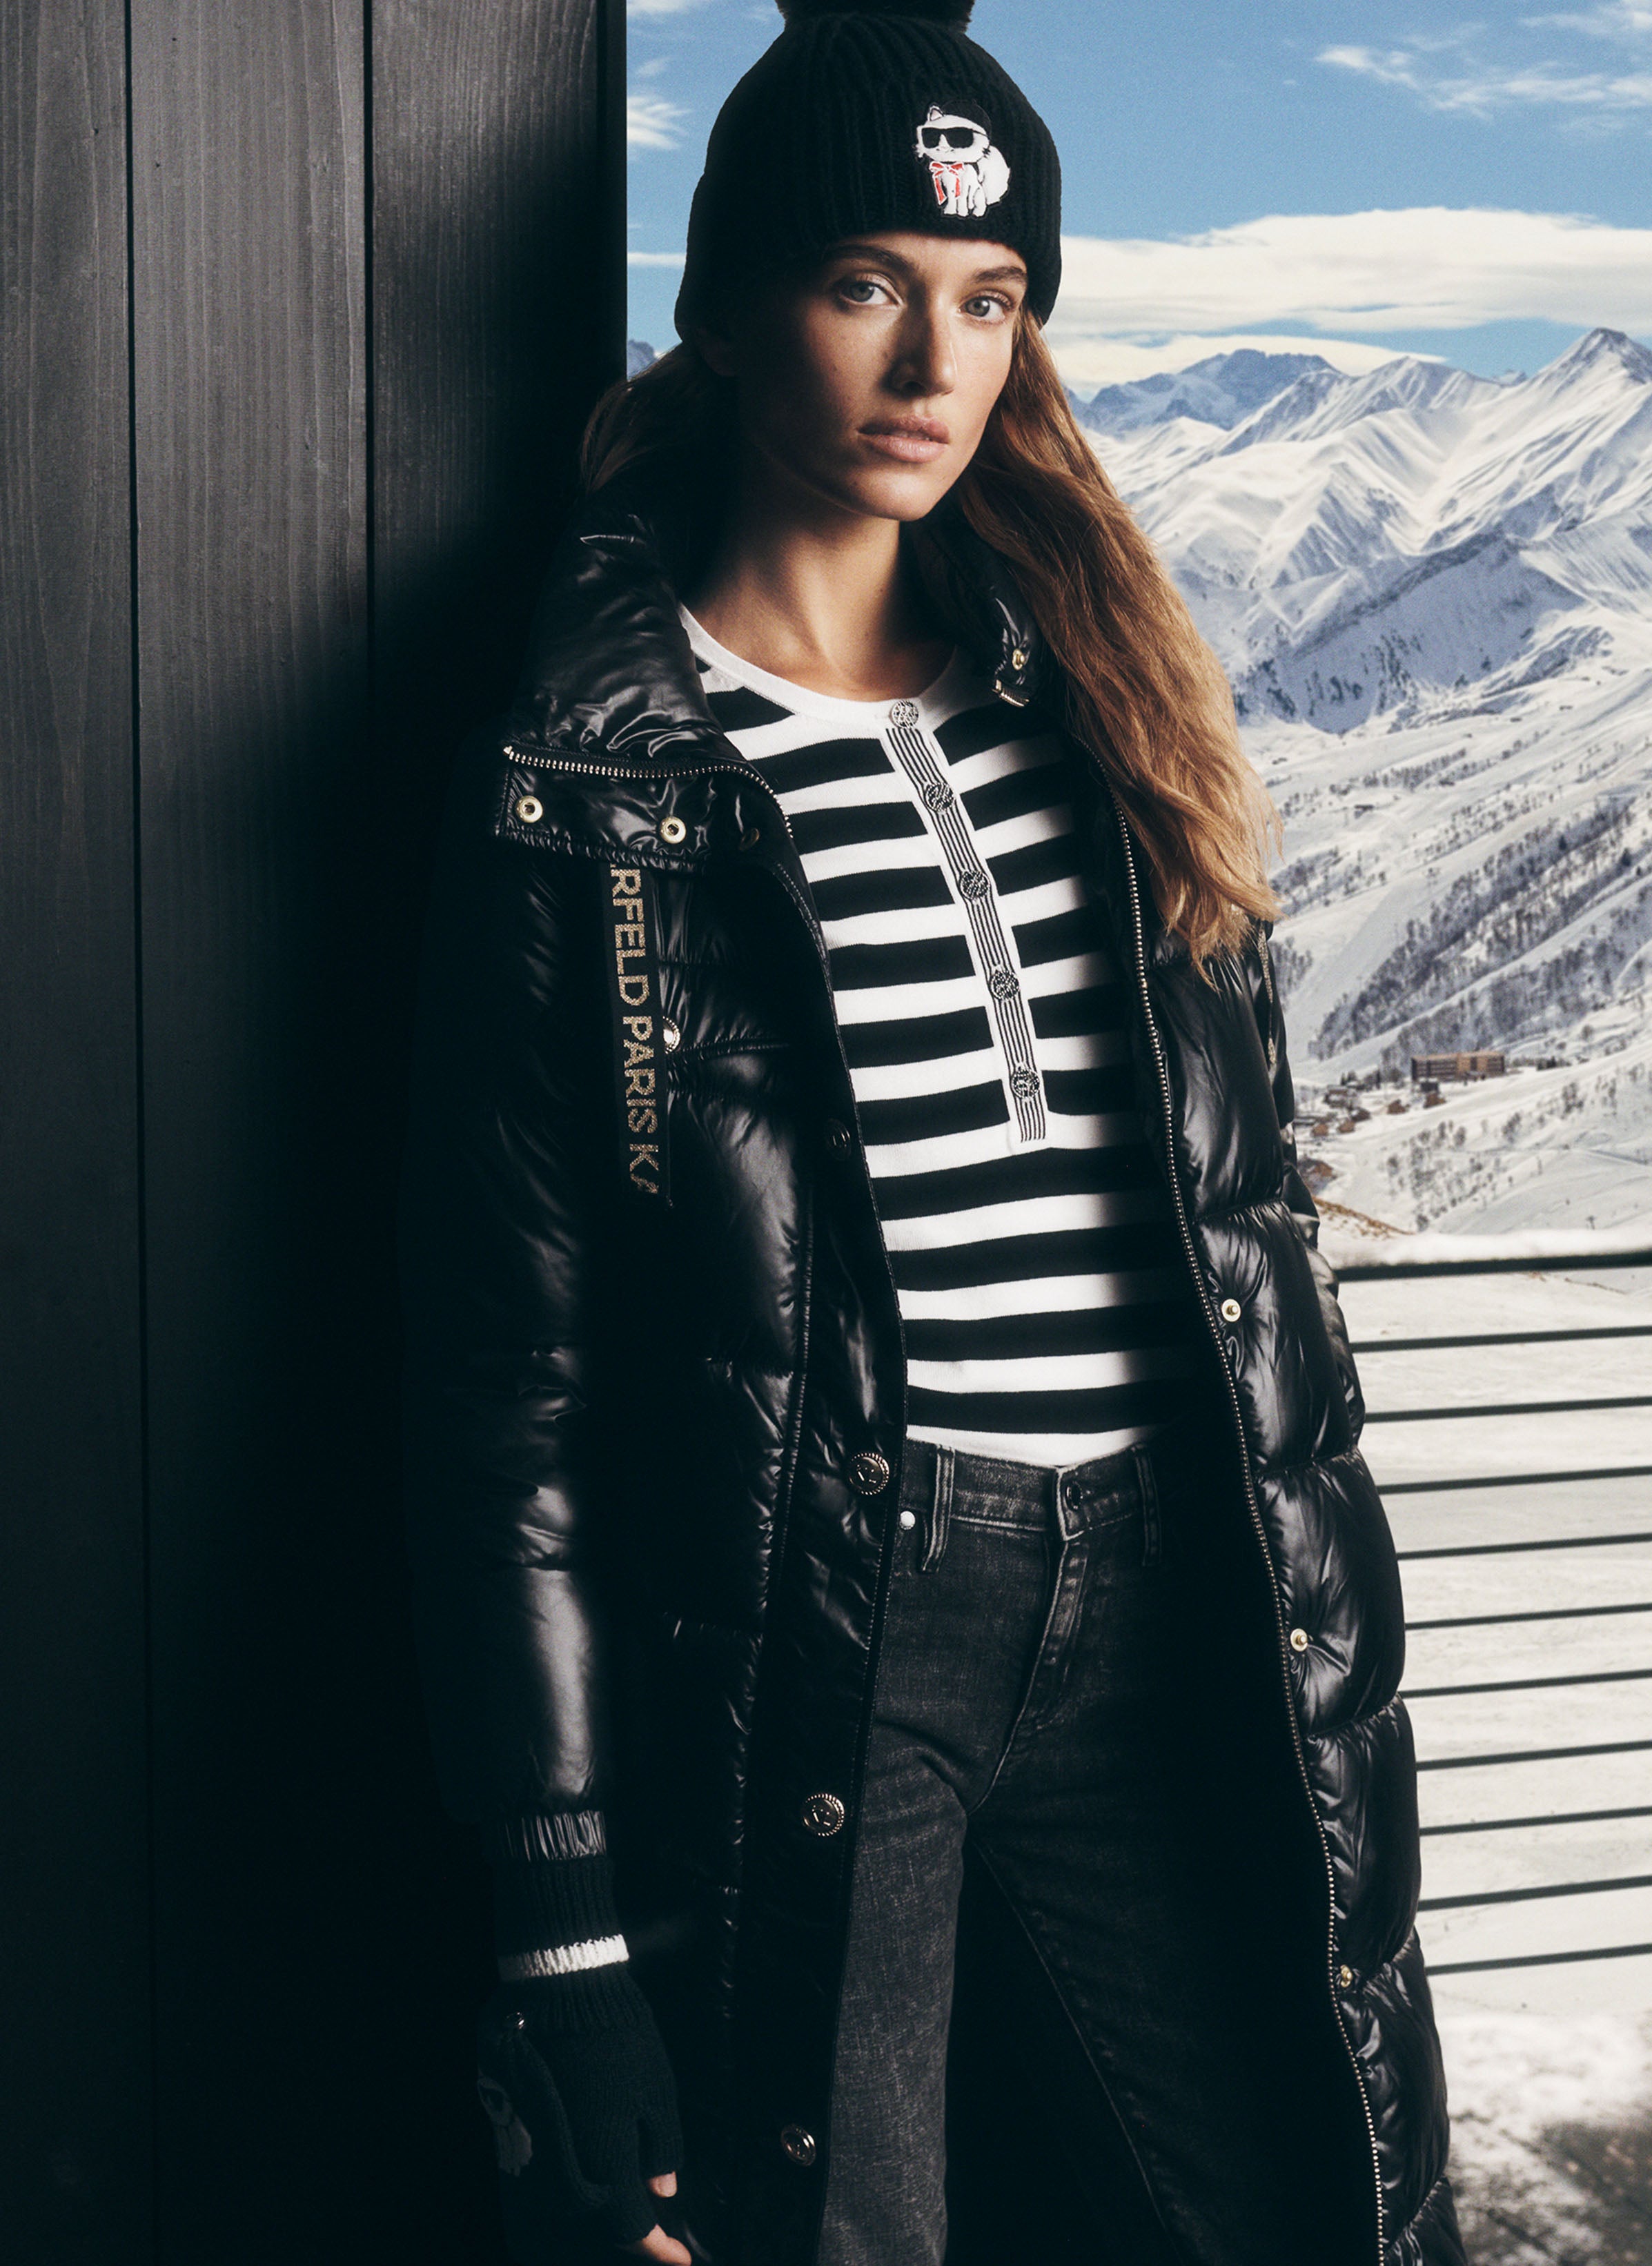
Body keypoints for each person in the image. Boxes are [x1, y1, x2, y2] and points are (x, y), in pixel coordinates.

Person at [396, 4, 1465, 2262]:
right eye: (864, 281)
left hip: (1180, 1597)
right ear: (724, 309)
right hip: (840, 1625)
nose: (929, 362)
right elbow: (518, 1380)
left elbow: (1241, 1222)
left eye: (988, 302)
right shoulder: (590, 775)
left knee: (1306, 2205)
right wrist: (561, 1923)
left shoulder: (1099, 705)